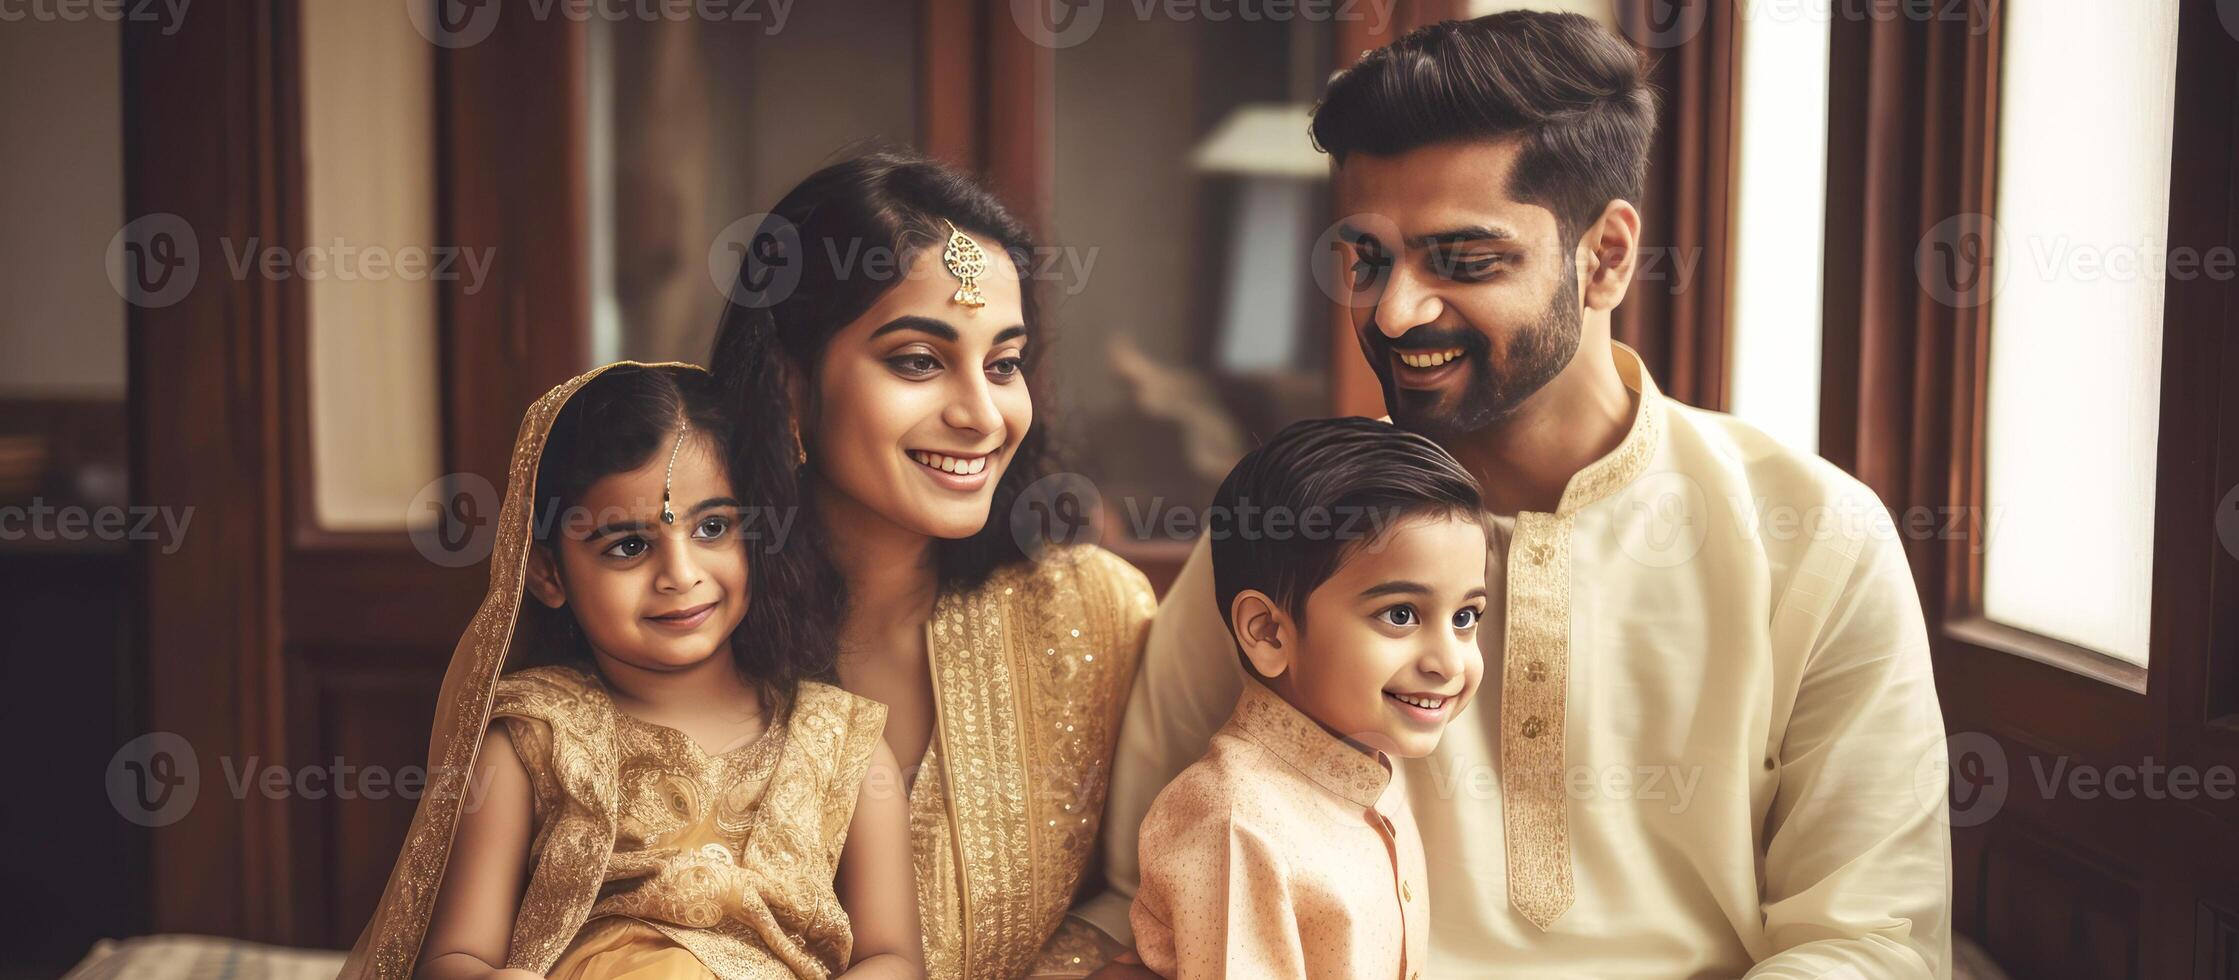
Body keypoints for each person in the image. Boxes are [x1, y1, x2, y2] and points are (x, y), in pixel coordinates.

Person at [1089, 12, 1952, 978]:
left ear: (1607, 256)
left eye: (1463, 260)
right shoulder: (1289, 517)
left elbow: (1866, 939)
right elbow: (1139, 896)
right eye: (1368, 260)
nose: (1393, 311)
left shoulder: (1814, 537)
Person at [709, 152, 1157, 979]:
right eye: (918, 360)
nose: (982, 415)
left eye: (1004, 363)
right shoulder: (687, 616)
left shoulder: (1093, 612)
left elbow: (1147, 896)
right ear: (789, 384)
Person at [339, 363, 922, 980]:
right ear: (548, 573)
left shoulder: (839, 744)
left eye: (714, 528)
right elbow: (455, 958)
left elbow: (894, 957)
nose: (680, 573)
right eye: (628, 546)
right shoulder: (535, 740)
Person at [1129, 418, 1487, 979]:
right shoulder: (1234, 822)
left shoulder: (1373, 775)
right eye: (1401, 615)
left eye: (1465, 617)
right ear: (1269, 632)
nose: (1448, 661)